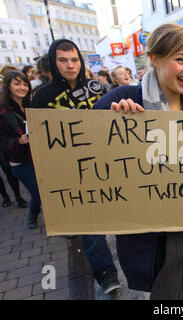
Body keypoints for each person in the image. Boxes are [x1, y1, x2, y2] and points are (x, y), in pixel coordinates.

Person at [94, 23, 183, 300]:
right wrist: (116, 128)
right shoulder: (120, 101)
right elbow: (95, 169)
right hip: (152, 237)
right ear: (155, 59)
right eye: (180, 59)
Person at [31, 39, 121, 295]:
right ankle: (105, 272)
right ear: (53, 62)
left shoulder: (98, 88)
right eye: (62, 60)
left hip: (107, 163)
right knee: (90, 223)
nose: (70, 65)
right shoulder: (42, 97)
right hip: (72, 171)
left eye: (74, 59)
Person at [0, 71, 40, 228]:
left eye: (25, 84)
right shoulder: (2, 111)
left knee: (43, 192)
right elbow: (2, 142)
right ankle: (32, 215)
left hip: (38, 155)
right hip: (20, 161)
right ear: (8, 86)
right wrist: (18, 141)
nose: (22, 87)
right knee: (38, 193)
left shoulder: (32, 105)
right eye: (17, 84)